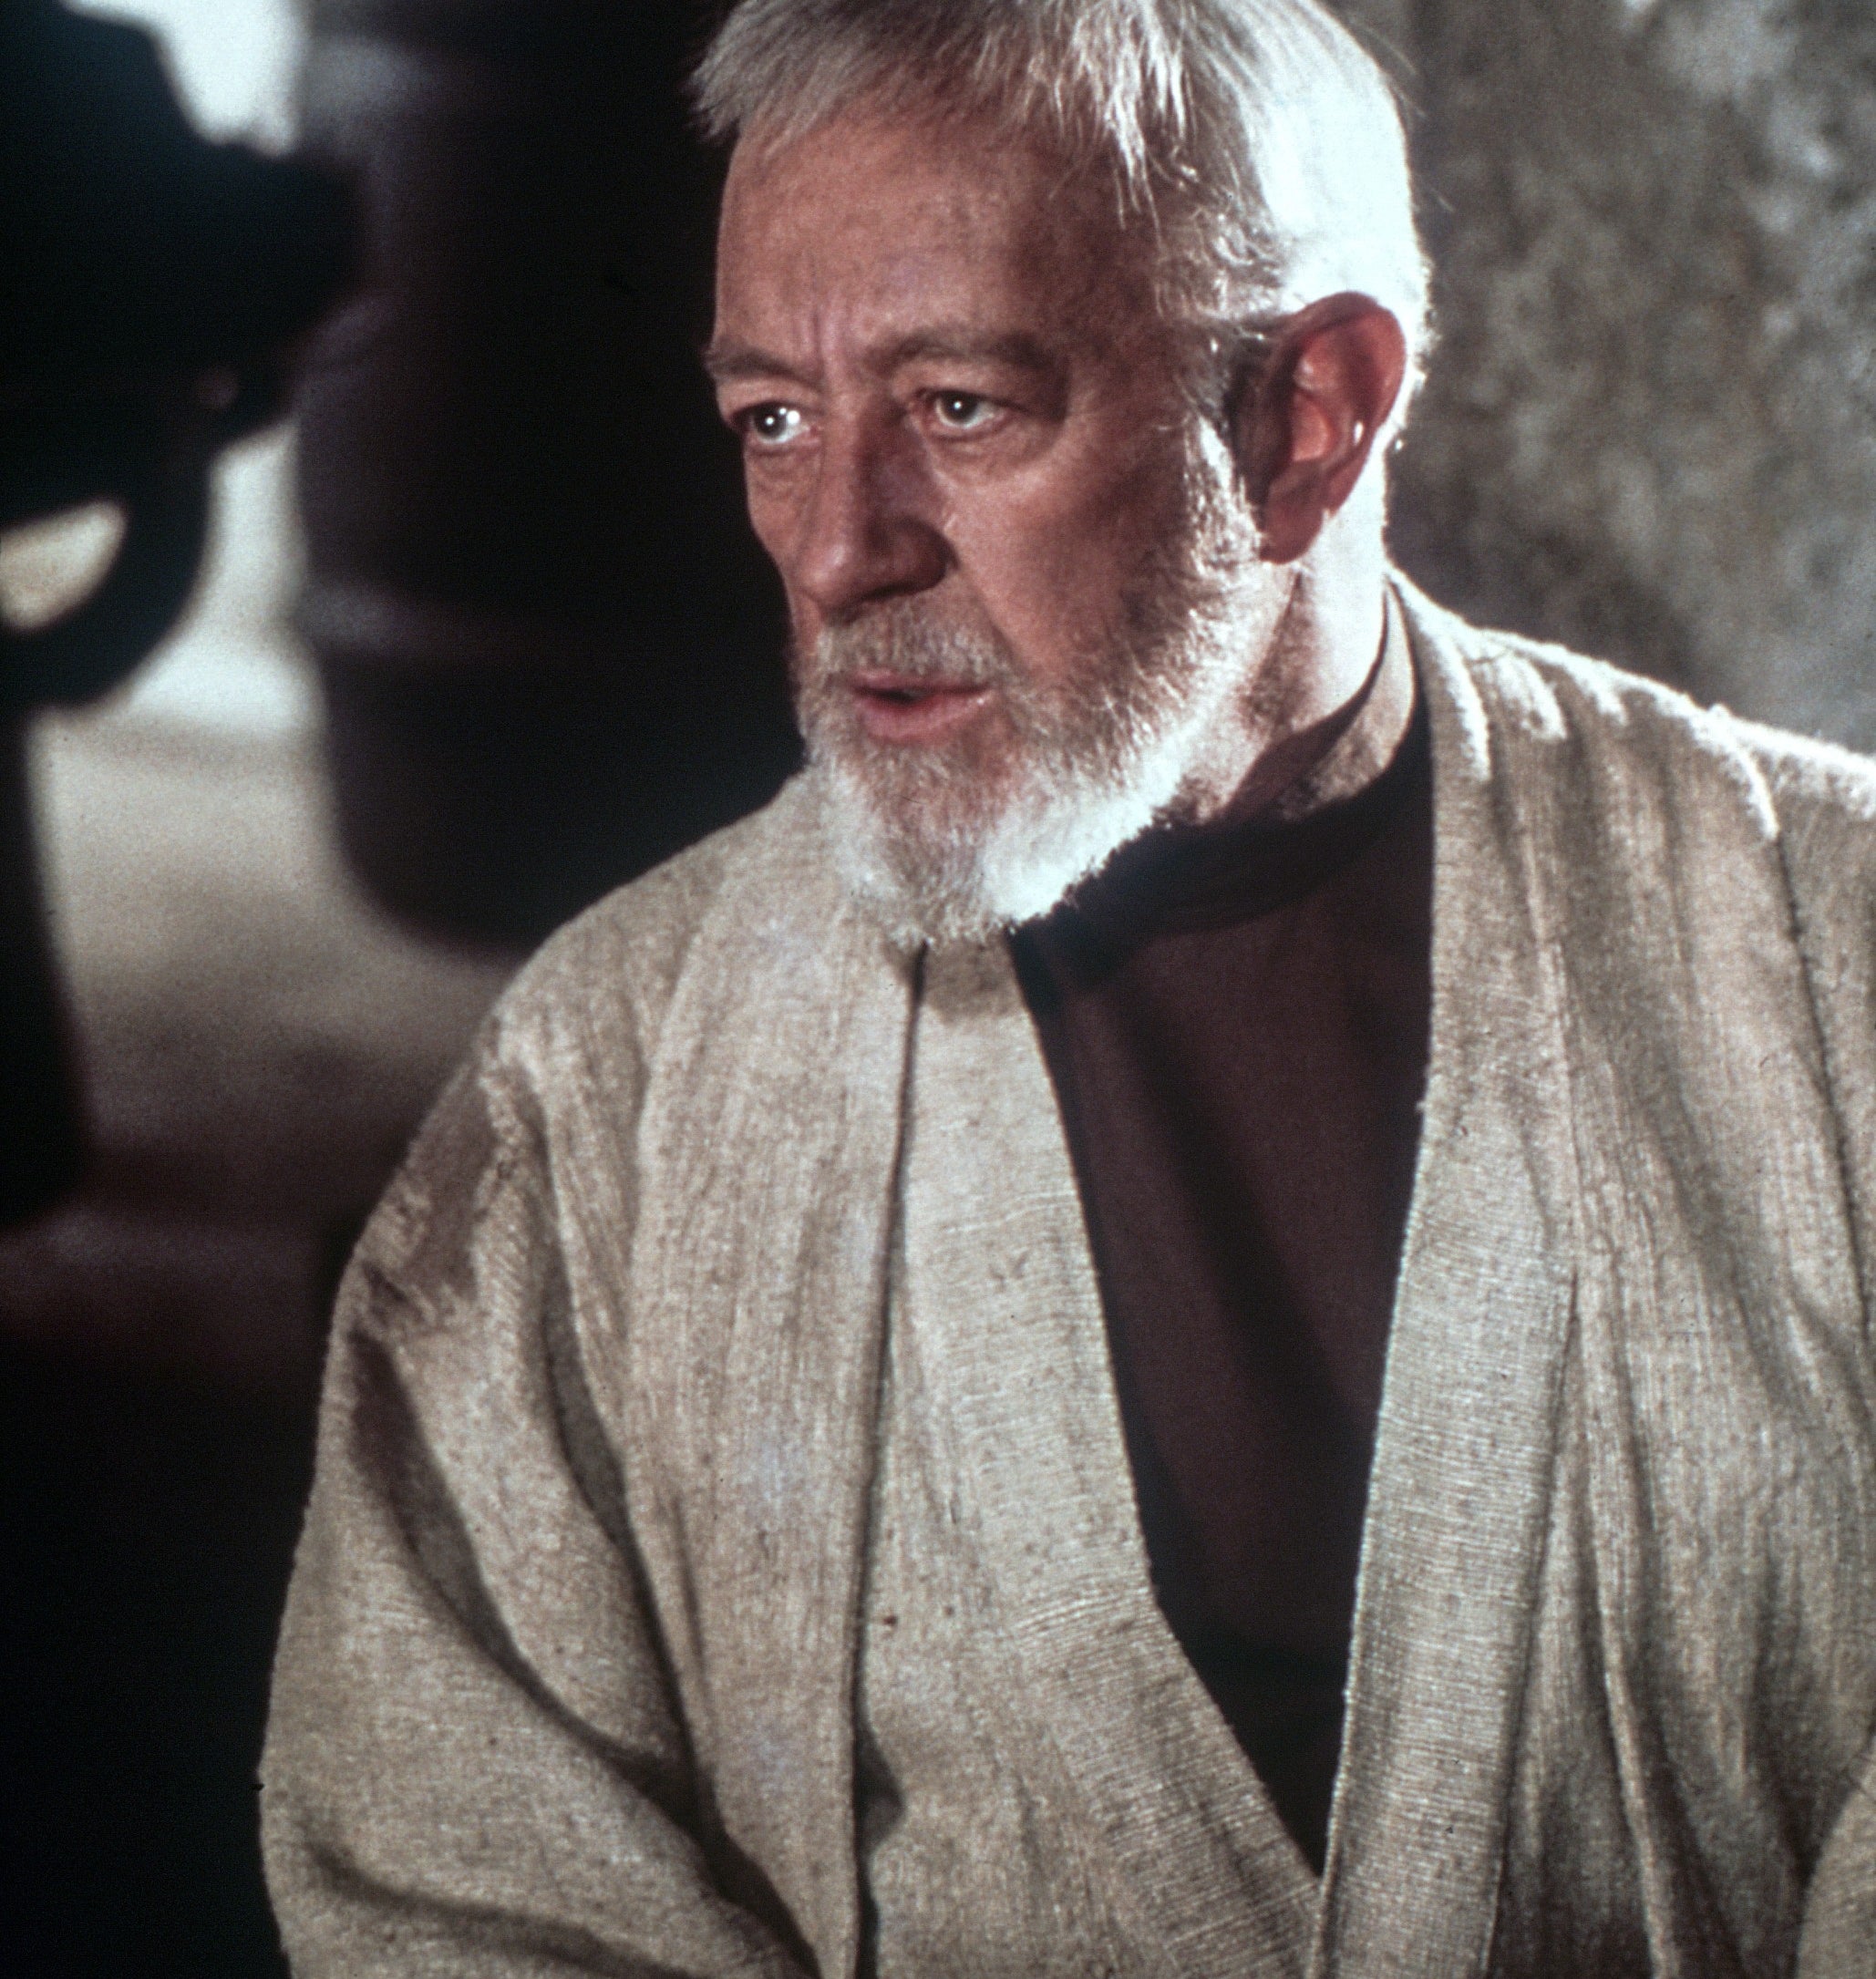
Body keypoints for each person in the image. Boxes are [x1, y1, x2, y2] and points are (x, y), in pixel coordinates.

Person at [260, 1, 1876, 1973]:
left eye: (960, 407)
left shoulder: (1822, 951)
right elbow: (449, 1860)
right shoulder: (617, 1076)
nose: (841, 547)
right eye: (772, 418)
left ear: (1309, 416)